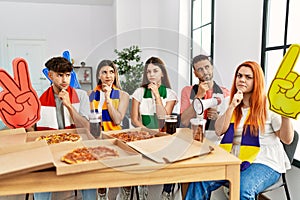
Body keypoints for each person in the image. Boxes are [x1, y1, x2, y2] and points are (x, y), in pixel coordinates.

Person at [185, 61, 294, 200]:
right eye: (239, 75)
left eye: (248, 77)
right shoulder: (229, 101)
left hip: (264, 160)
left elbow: (287, 139)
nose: (242, 79)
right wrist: (231, 107)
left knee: (242, 188)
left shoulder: (270, 105)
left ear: (257, 81)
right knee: (199, 179)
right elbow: (219, 131)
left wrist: (286, 115)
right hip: (233, 158)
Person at [33, 57, 96, 200]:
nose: (64, 80)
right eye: (60, 75)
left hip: (77, 146)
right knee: (41, 180)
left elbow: (86, 127)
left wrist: (68, 105)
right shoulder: (39, 98)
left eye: (67, 75)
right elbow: (33, 130)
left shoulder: (81, 96)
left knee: (89, 179)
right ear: (50, 75)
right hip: (49, 148)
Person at [131, 57, 178, 200]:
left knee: (173, 155)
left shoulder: (170, 94)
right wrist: (147, 132)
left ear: (162, 73)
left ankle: (167, 191)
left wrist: (157, 95)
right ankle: (142, 186)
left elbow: (164, 119)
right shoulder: (139, 92)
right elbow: (134, 119)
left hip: (163, 137)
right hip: (143, 136)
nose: (151, 74)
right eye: (148, 71)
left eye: (155, 71)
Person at [89, 59, 130, 200]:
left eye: (111, 72)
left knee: (123, 173)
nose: (108, 76)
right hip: (97, 140)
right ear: (99, 76)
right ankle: (102, 195)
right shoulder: (90, 95)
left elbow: (117, 119)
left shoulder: (123, 95)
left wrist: (107, 98)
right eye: (104, 72)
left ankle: (124, 194)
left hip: (116, 140)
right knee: (101, 173)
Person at [180, 54, 230, 131]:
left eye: (207, 67)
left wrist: (217, 117)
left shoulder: (225, 93)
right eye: (200, 69)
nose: (205, 72)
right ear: (195, 73)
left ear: (212, 68)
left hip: (214, 139)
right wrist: (198, 96)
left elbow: (228, 124)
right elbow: (184, 122)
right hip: (191, 137)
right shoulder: (187, 91)